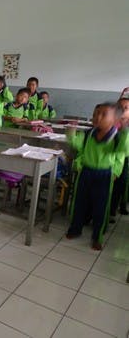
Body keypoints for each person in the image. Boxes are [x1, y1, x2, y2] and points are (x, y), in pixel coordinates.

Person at [66, 102, 125, 250]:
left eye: (103, 114)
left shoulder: (117, 138)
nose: (97, 117)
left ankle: (97, 236)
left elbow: (123, 153)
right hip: (86, 172)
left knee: (101, 206)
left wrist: (116, 172)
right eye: (95, 114)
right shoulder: (88, 134)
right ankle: (75, 229)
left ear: (114, 121)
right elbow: (77, 145)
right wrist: (71, 133)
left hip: (105, 175)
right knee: (79, 202)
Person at [110, 95, 129, 217]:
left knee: (121, 183)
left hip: (125, 158)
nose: (122, 110)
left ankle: (112, 210)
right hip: (110, 157)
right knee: (110, 185)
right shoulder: (111, 122)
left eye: (126, 107)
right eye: (120, 107)